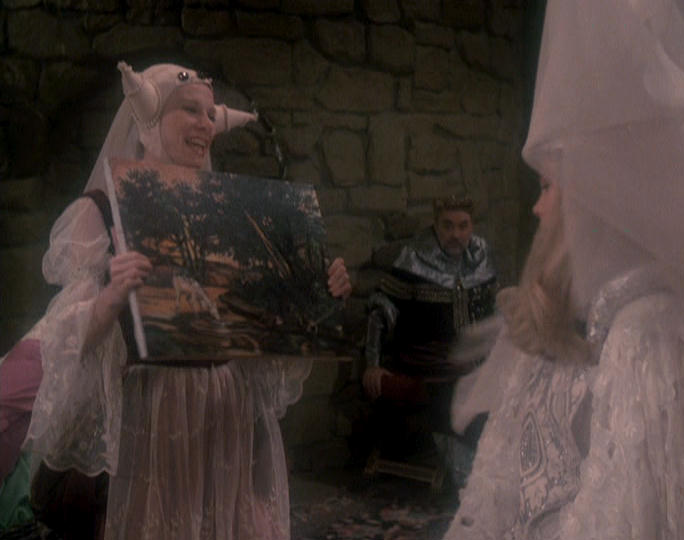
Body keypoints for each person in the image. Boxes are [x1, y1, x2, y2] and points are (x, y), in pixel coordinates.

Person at [21, 61, 351, 540]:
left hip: (227, 415)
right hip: (155, 415)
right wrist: (111, 297)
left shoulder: (230, 210)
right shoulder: (101, 211)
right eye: (190, 111)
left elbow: (260, 330)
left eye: (210, 115)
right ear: (150, 120)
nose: (205, 125)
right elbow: (66, 343)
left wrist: (318, 294)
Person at [444, 0, 684, 538]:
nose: (537, 208)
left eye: (547, 186)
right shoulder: (573, 311)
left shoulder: (646, 329)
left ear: (597, 200)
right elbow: (502, 488)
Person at [360, 196, 496, 477]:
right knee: (461, 395)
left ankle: (494, 472)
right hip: (426, 365)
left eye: (463, 226)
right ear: (435, 225)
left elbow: (494, 309)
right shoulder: (413, 257)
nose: (455, 234)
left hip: (473, 360)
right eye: (447, 225)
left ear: (472, 226)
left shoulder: (481, 256)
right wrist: (372, 363)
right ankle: (469, 475)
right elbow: (380, 311)